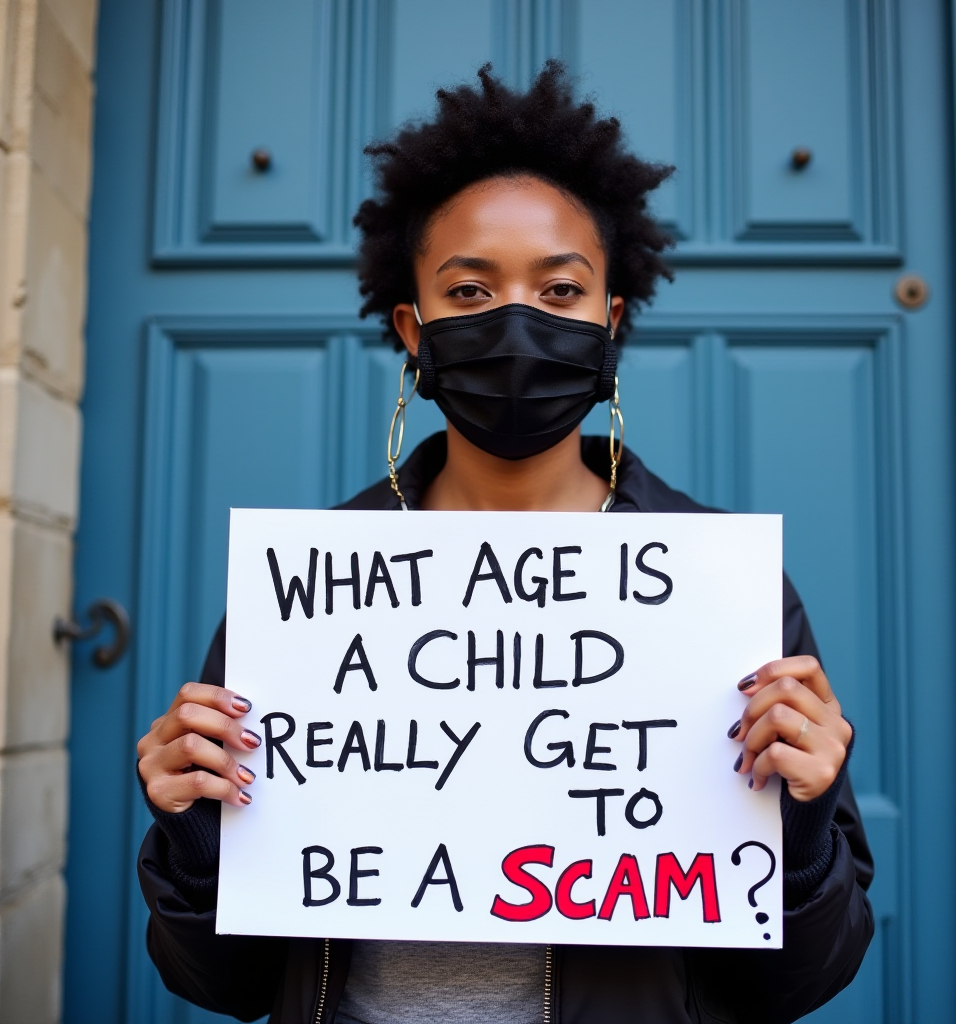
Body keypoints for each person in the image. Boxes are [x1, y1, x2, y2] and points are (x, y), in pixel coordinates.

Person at [136, 62, 872, 1024]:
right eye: (470, 292)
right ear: (413, 329)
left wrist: (806, 830)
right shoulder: (311, 593)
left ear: (611, 324)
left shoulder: (720, 587)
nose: (517, 322)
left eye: (560, 290)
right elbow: (217, 984)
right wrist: (193, 838)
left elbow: (805, 981)